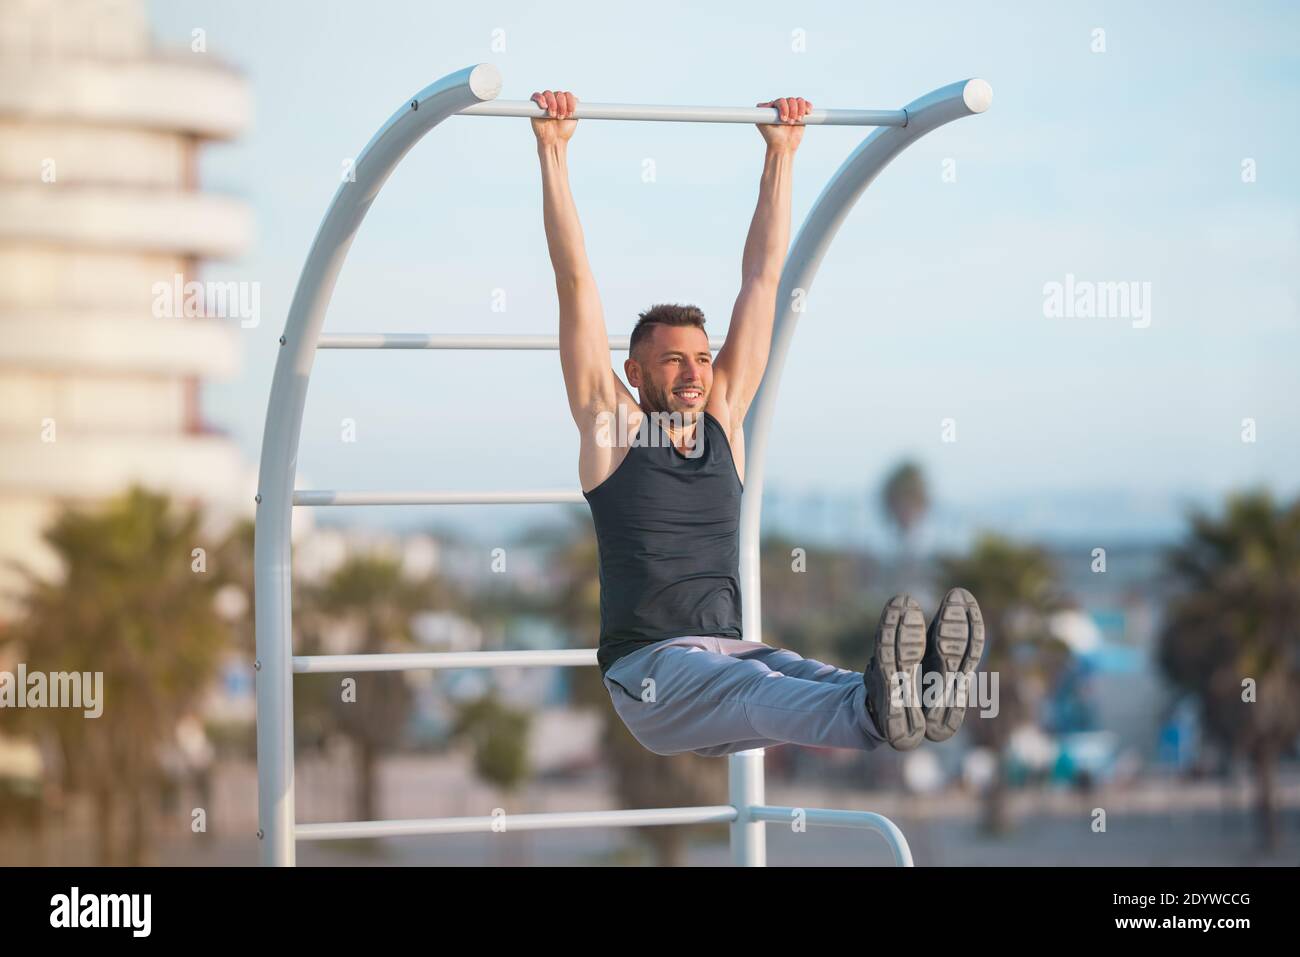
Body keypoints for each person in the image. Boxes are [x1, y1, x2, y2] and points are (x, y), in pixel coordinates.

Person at [530, 88, 986, 756]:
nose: (693, 374)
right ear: (634, 374)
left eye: (702, 359)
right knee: (756, 684)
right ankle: (880, 709)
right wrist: (553, 150)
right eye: (673, 362)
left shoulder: (724, 423)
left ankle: (912, 698)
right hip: (651, 677)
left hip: (733, 657)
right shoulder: (613, 429)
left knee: (799, 671)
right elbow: (574, 283)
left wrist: (781, 156)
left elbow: (763, 281)